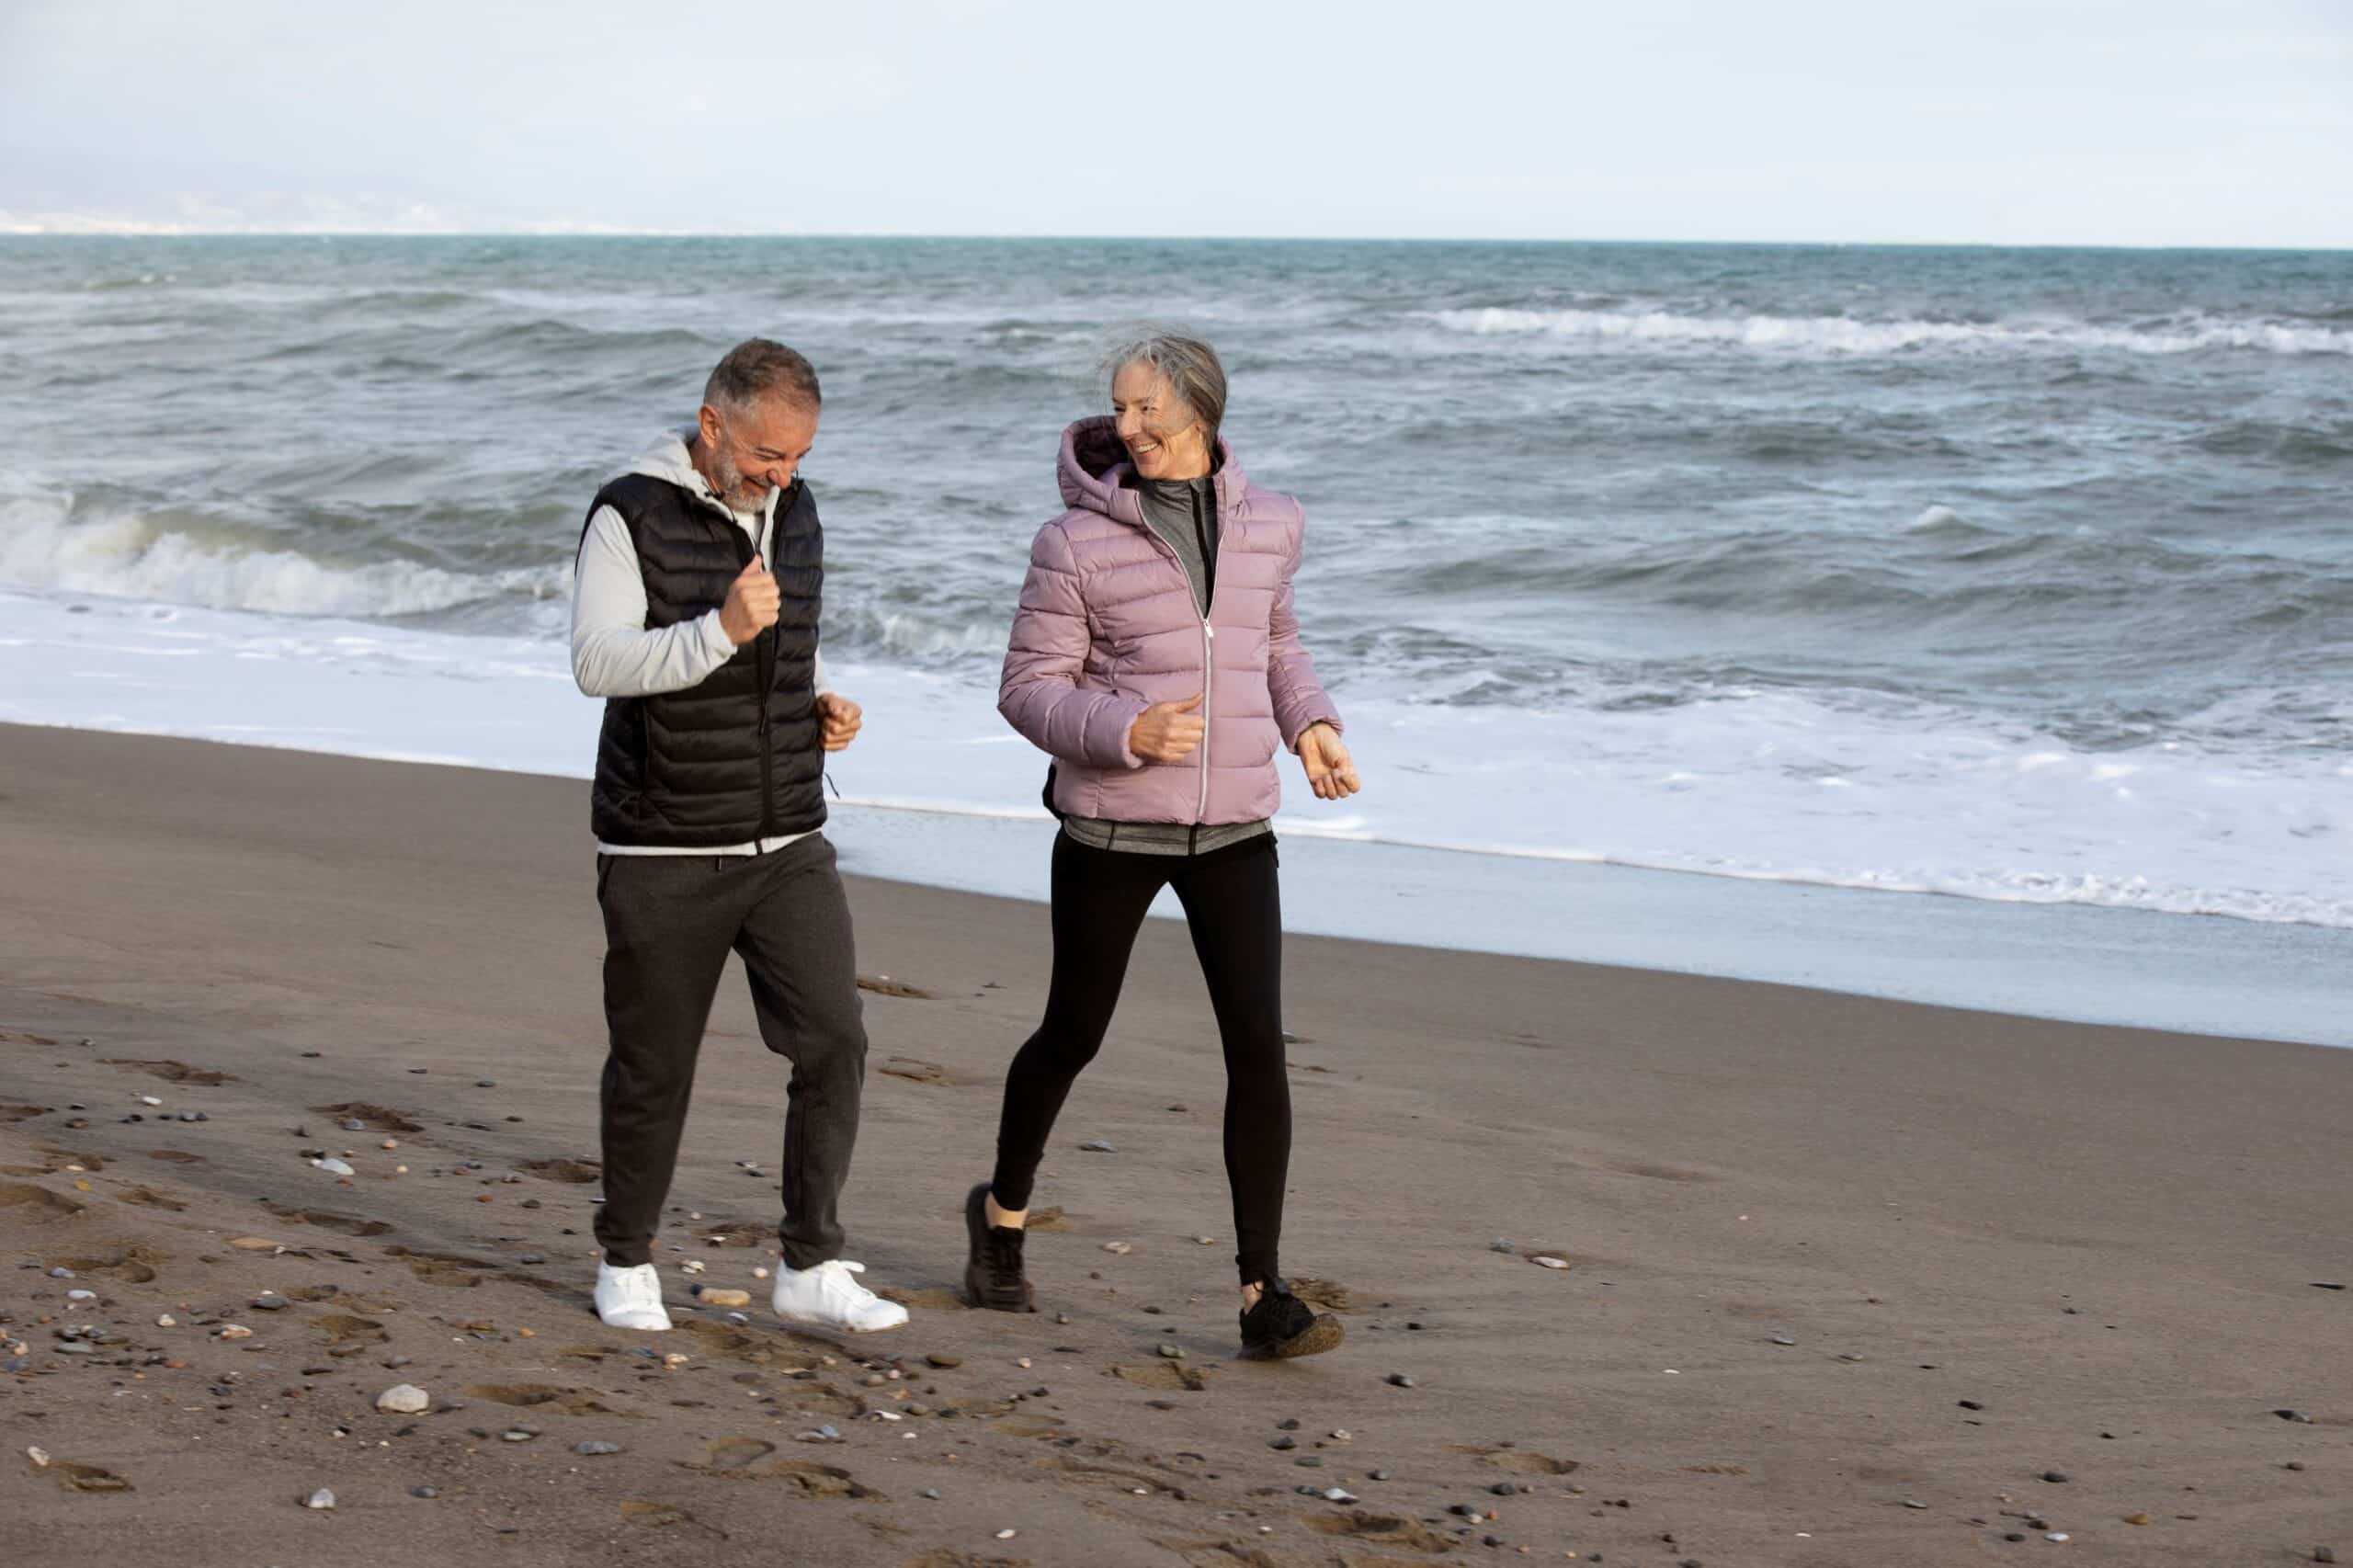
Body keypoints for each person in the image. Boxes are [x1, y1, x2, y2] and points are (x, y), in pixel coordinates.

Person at [968, 329, 1362, 1359]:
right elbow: (1026, 688)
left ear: (1200, 408)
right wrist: (1122, 731)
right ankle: (1001, 1215)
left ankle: (1260, 1290)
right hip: (1109, 825)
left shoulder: (1273, 524)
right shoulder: (1074, 541)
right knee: (1074, 1031)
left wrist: (1310, 722)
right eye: (1120, 408)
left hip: (1234, 825)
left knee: (1257, 1048)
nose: (1127, 426)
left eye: (1146, 408)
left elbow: (1273, 643)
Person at [571, 337, 905, 1335]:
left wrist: (815, 707)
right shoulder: (627, 510)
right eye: (766, 455)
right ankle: (624, 1258)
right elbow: (598, 661)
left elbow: (780, 653)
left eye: (797, 458)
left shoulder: (795, 512)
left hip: (788, 834)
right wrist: (719, 628)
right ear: (713, 426)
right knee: (654, 1062)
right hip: (664, 842)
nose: (781, 476)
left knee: (835, 1038)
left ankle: (811, 1261)